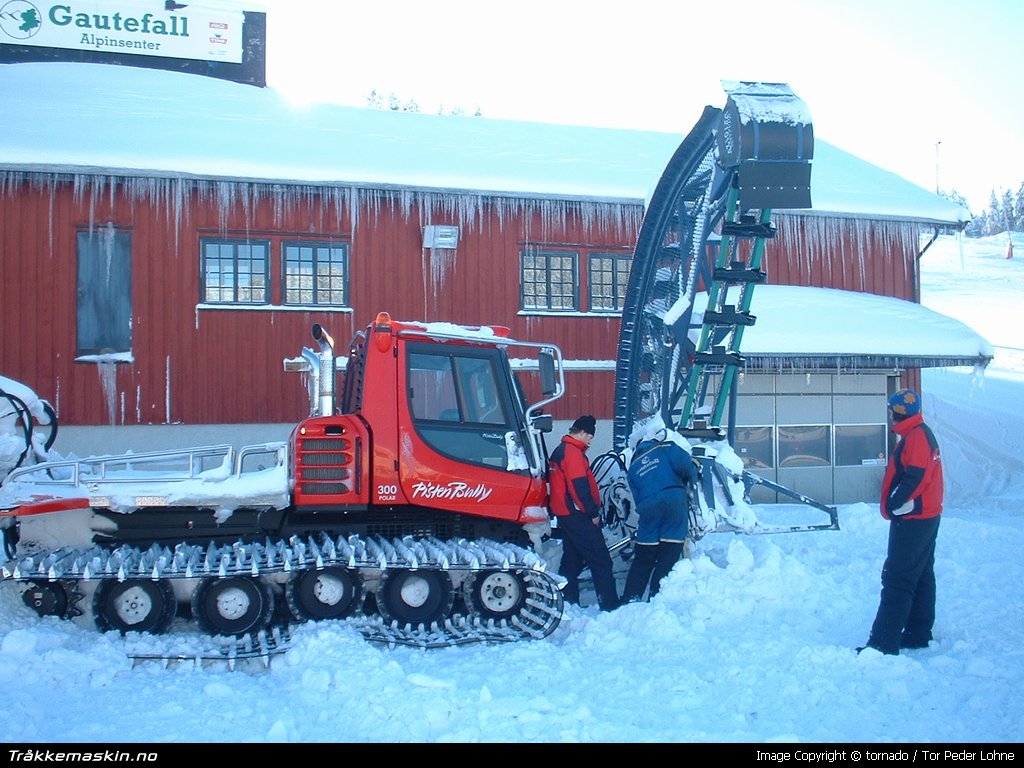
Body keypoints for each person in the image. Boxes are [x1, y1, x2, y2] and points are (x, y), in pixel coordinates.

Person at [860, 388, 944, 655]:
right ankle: (918, 633)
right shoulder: (918, 432)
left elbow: (915, 478)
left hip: (913, 519)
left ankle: (883, 643)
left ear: (894, 413)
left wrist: (895, 504)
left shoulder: (916, 437)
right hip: (925, 517)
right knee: (920, 574)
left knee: (898, 578)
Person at [547, 415, 619, 611]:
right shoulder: (572, 453)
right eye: (589, 436)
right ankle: (610, 605)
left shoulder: (560, 451)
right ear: (580, 432)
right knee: (601, 559)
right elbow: (579, 487)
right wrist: (593, 513)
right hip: (578, 515)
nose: (590, 440)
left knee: (572, 559)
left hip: (565, 515)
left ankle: (567, 602)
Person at [621, 428, 697, 603]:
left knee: (644, 556)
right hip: (673, 501)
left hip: (647, 508)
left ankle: (630, 599)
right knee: (668, 553)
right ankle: (657, 597)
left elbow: (635, 496)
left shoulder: (632, 468)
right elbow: (687, 467)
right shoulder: (666, 447)